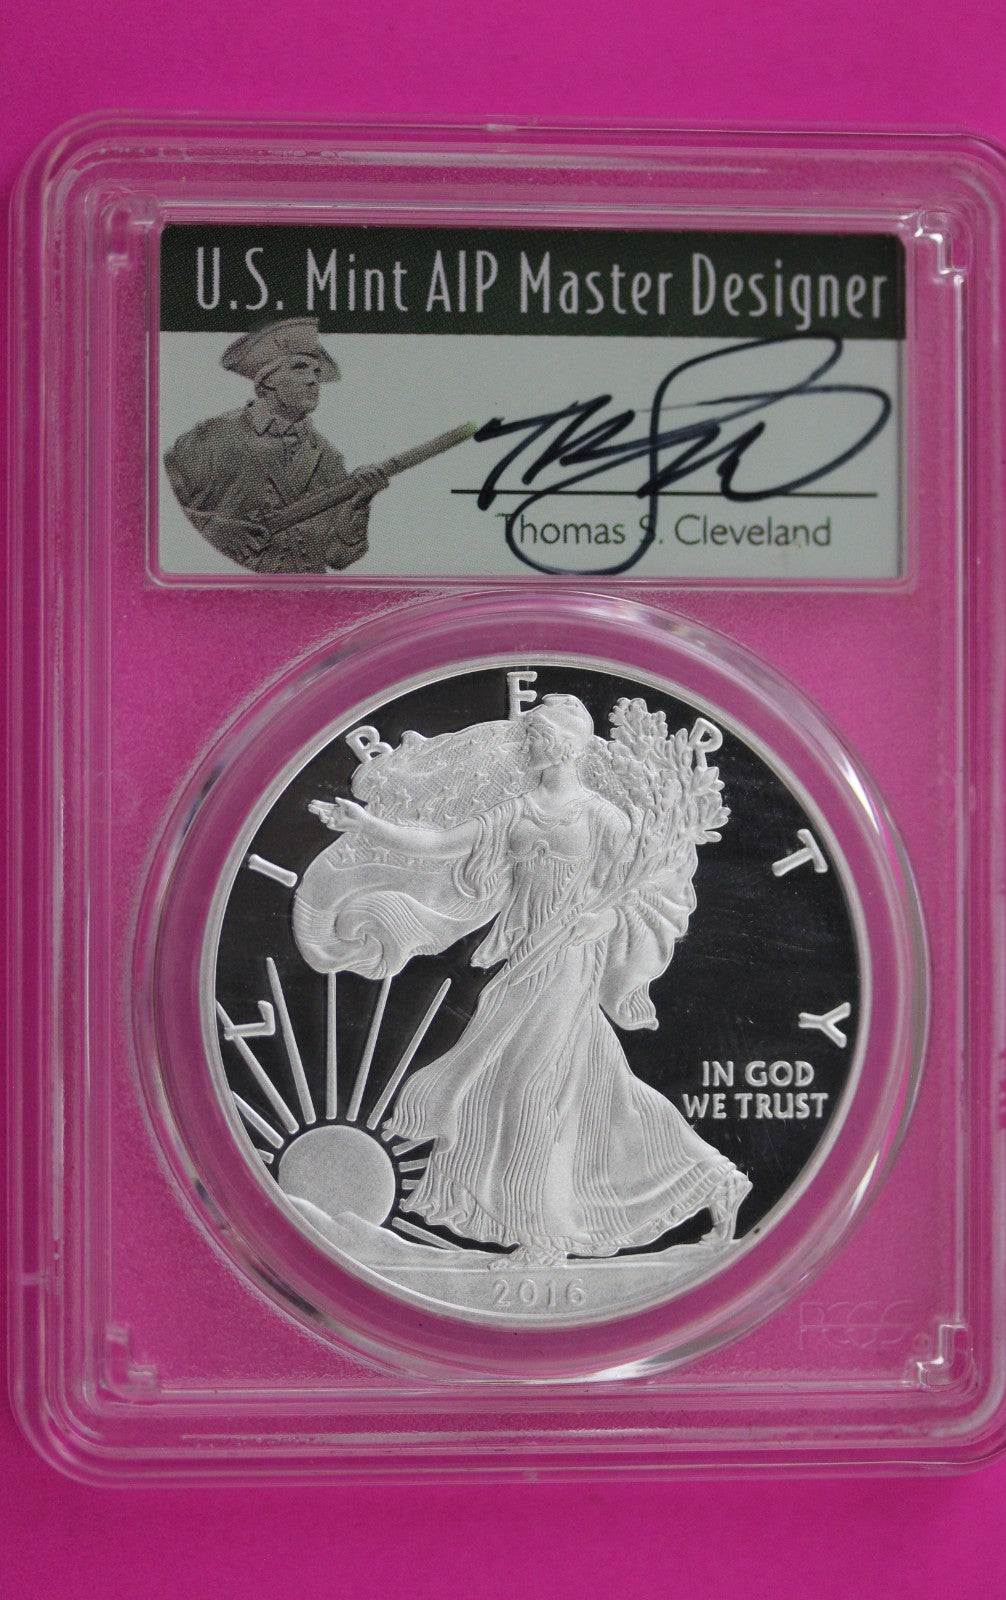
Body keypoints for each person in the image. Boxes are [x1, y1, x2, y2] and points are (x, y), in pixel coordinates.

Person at [296, 694, 751, 1267]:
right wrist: (369, 825)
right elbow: (440, 844)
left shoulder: (603, 818)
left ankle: (544, 1235)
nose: (527, 744)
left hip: (571, 962)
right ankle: (713, 1177)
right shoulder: (518, 810)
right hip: (526, 962)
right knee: (599, 1088)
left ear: (563, 746)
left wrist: (604, 918)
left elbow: (649, 887)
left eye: (536, 737)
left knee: (532, 1086)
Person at [164, 318, 386, 572]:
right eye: (300, 368)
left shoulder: (327, 456)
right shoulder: (215, 435)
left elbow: (339, 557)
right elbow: (156, 508)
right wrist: (213, 530)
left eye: (316, 372)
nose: (313, 380)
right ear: (269, 379)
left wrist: (359, 503)